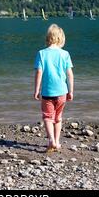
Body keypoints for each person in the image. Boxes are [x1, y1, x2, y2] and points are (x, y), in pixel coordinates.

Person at [34, 24, 74, 153]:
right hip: (62, 91)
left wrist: (36, 90)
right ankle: (57, 141)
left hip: (47, 92)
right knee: (58, 117)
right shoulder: (65, 54)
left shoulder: (41, 54)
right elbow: (70, 75)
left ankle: (51, 140)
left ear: (48, 38)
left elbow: (39, 72)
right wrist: (71, 91)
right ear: (61, 39)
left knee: (47, 117)